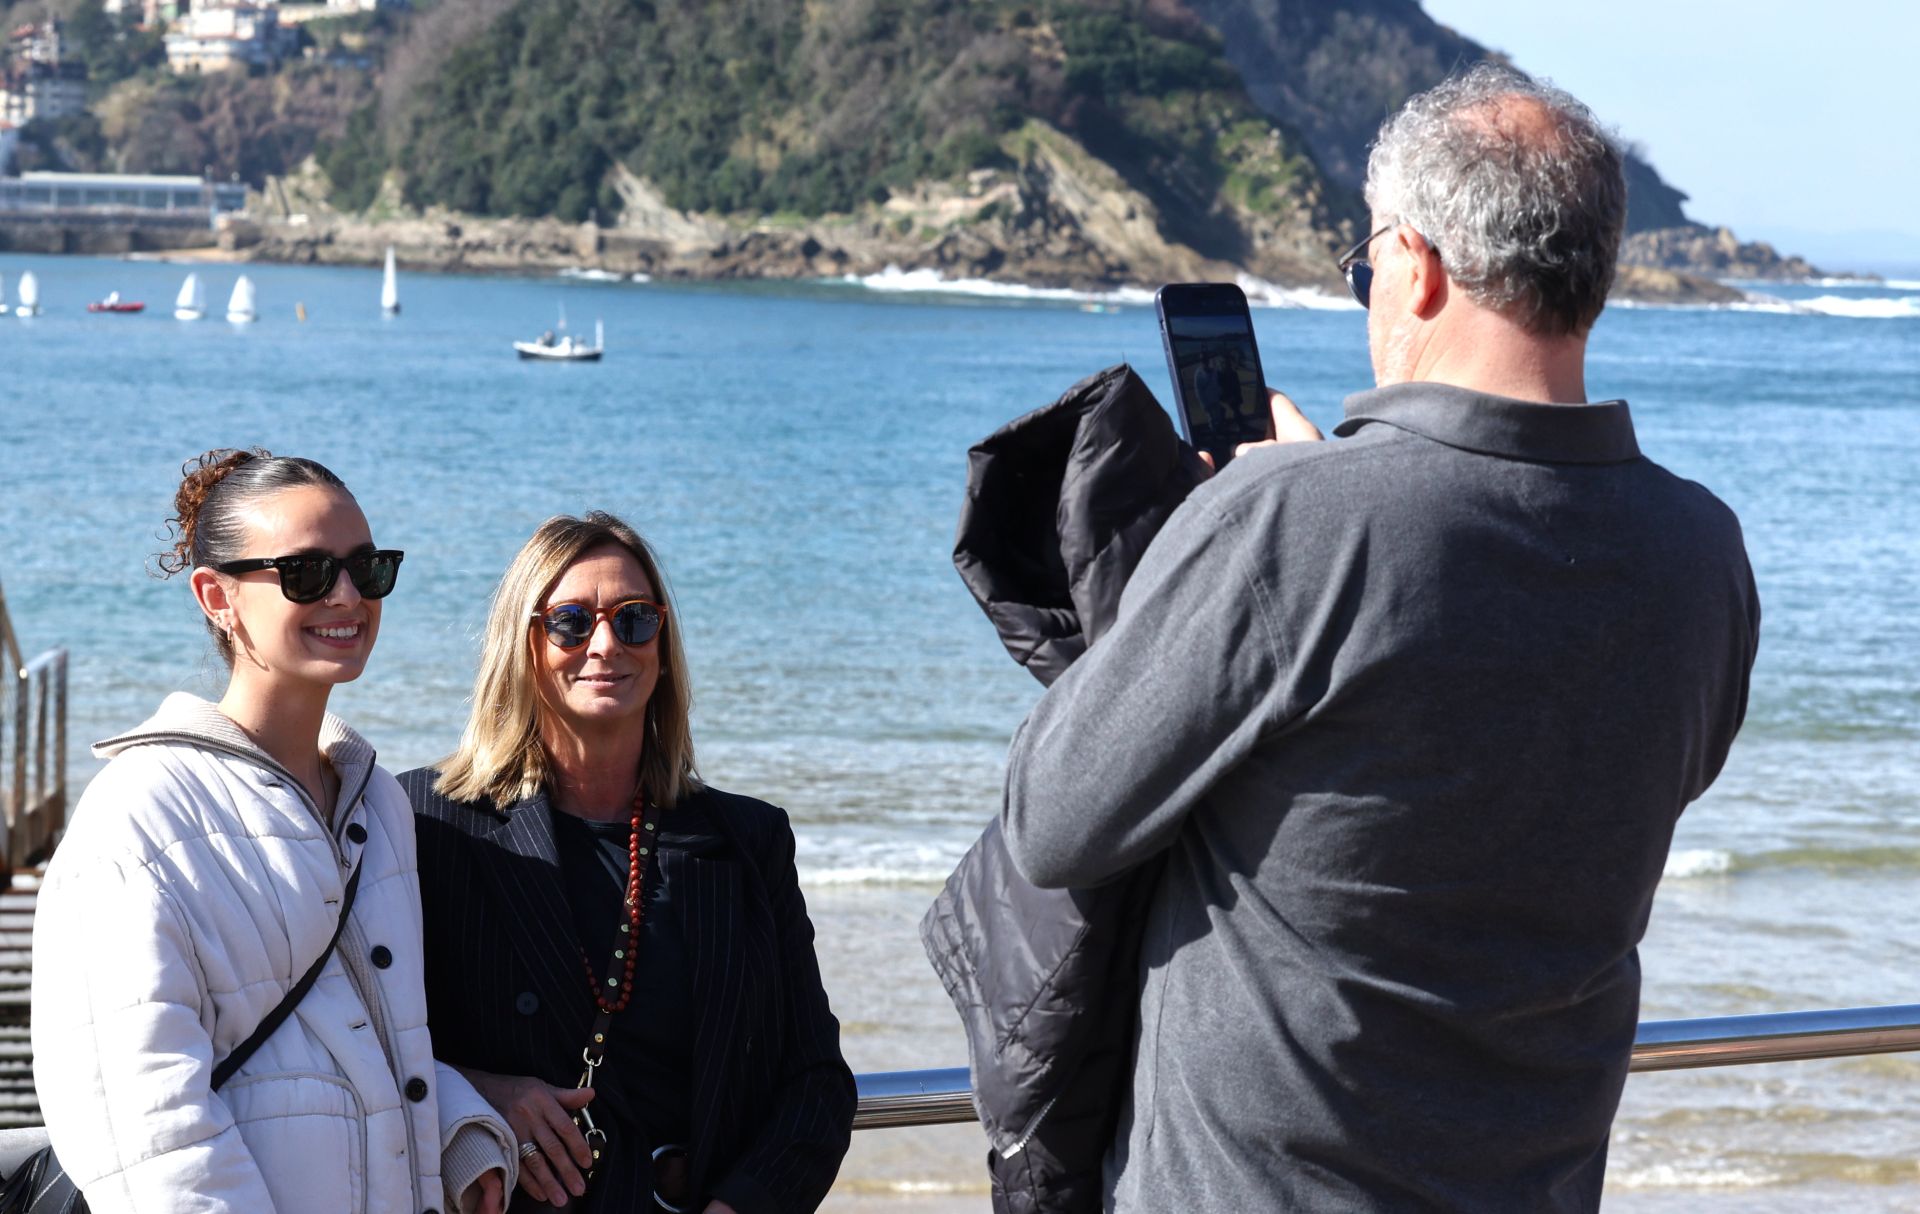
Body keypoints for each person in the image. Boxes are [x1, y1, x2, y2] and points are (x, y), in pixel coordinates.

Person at [998, 64, 1761, 1212]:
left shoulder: (1288, 522)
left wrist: (1233, 517)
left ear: (1416, 264)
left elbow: (1050, 821)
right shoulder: (1704, 554)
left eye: (1365, 267)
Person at [30, 449, 516, 1213]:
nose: (349, 595)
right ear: (216, 597)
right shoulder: (141, 815)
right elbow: (144, 1126)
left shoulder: (379, 803)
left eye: (368, 567)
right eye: (308, 573)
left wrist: (459, 1132)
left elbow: (361, 1038)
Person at [402, 511, 855, 1213]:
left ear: (664, 644)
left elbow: (816, 1081)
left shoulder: (748, 840)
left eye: (636, 619)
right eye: (572, 622)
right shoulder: (426, 823)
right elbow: (359, 1049)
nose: (607, 643)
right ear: (521, 645)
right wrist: (482, 1092)